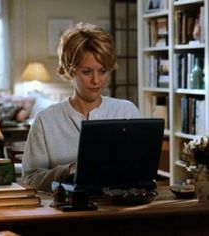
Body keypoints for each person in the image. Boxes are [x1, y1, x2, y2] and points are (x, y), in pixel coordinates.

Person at [22, 22, 140, 192]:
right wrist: (69, 170)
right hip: (64, 213)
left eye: (102, 71)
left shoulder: (126, 111)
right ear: (71, 71)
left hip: (118, 209)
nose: (96, 80)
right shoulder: (46, 120)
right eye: (86, 72)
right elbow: (30, 179)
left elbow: (141, 170)